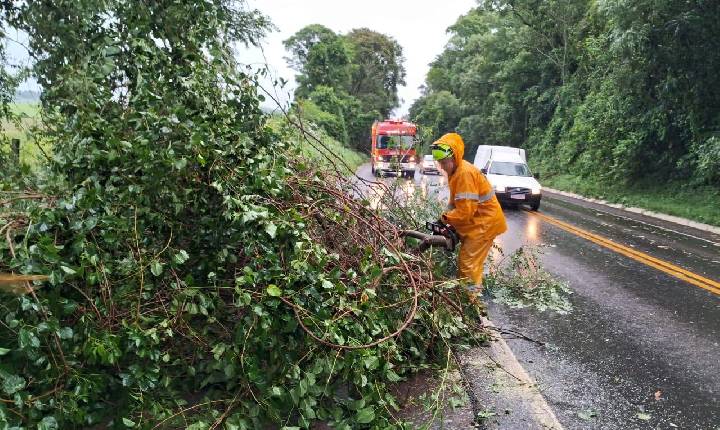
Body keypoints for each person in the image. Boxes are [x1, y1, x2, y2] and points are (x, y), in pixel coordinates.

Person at [432, 133, 507, 299]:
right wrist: (443, 218)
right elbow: (454, 203)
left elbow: (465, 212)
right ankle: (470, 296)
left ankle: (470, 302)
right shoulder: (456, 172)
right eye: (440, 163)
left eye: (444, 163)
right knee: (471, 265)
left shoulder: (464, 174)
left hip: (483, 224)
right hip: (478, 222)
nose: (442, 167)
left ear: (454, 157)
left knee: (468, 265)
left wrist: (445, 220)